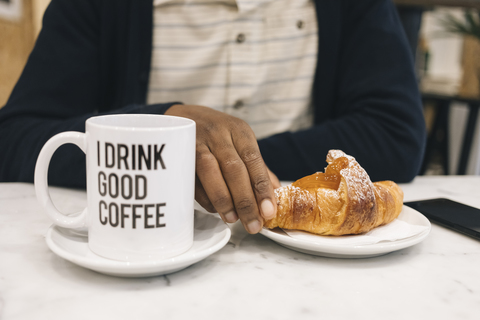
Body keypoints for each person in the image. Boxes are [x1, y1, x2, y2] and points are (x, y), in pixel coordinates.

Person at [0, 0, 426, 234]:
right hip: (141, 259)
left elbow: (396, 133)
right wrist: (164, 129)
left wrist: (226, 163)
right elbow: (15, 137)